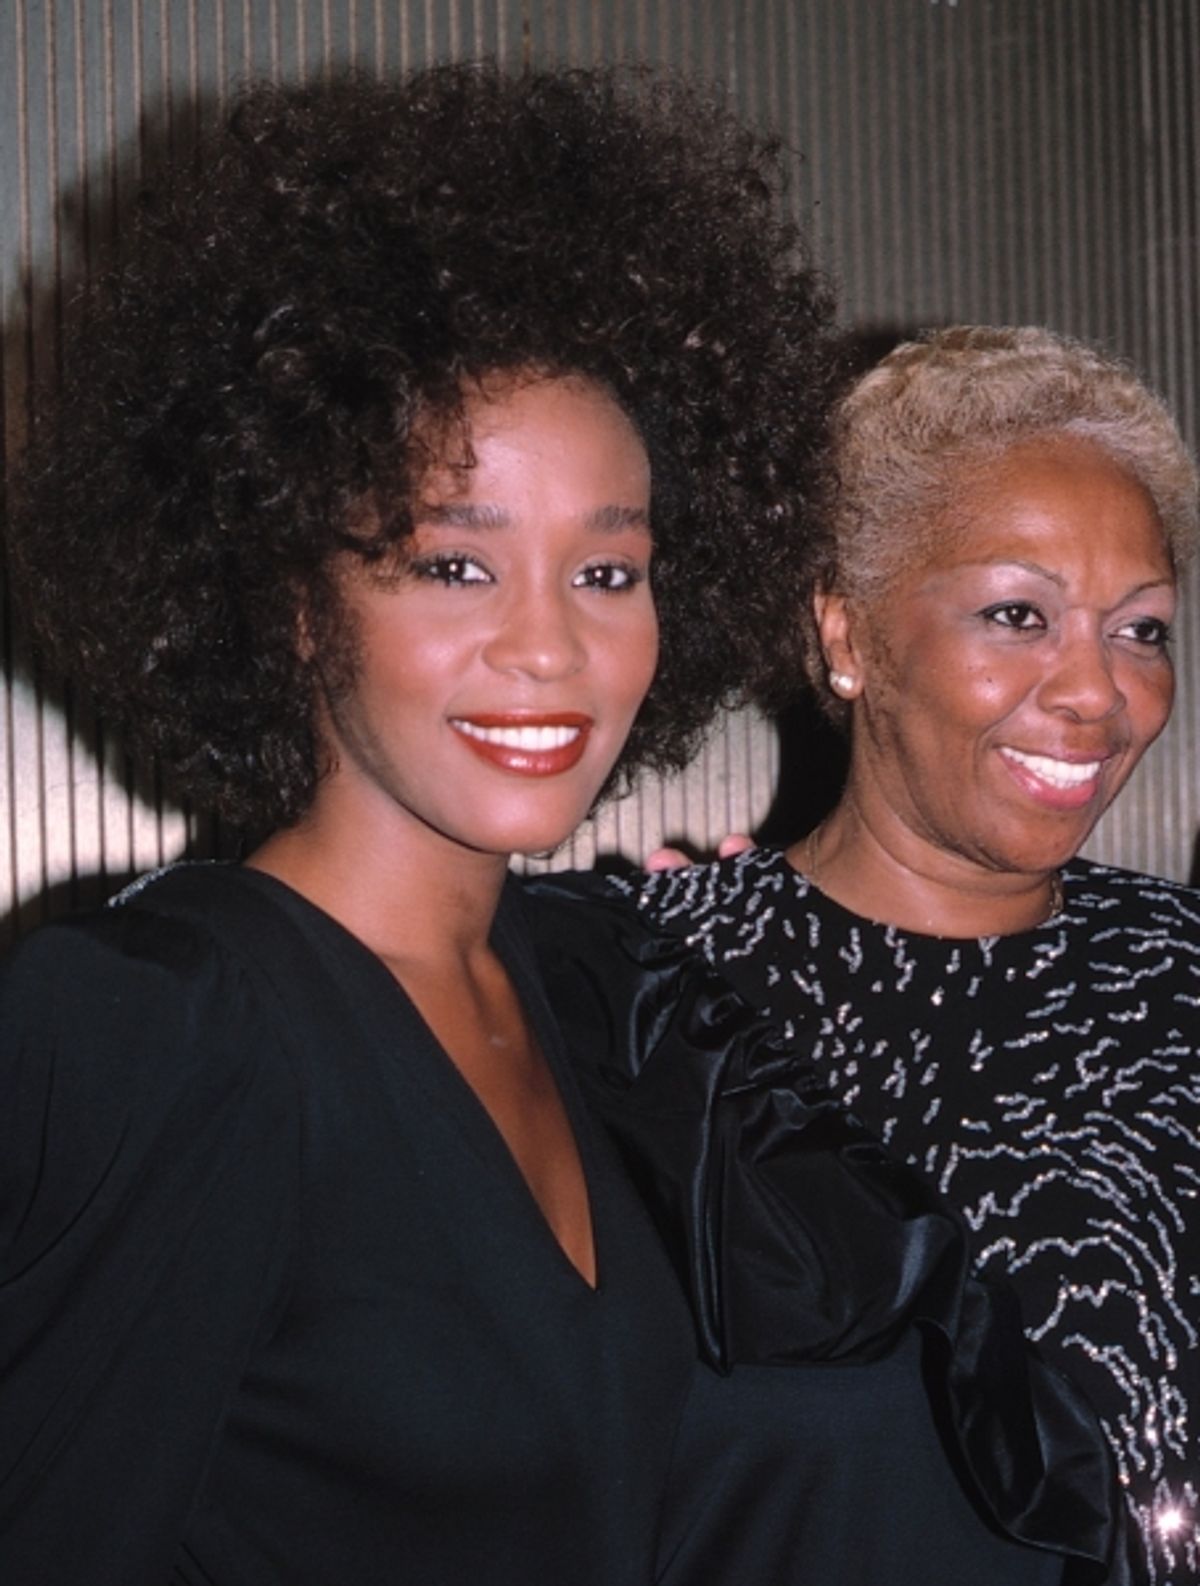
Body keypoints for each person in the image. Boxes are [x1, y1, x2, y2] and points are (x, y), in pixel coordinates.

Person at [0, 68, 1116, 1581]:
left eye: (608, 572)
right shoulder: (160, 1031)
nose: (551, 649)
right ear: (292, 597)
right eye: (454, 566)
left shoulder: (589, 1000)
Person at [599, 325, 1200, 1584]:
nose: (1100, 692)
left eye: (1141, 630)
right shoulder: (652, 996)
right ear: (849, 634)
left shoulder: (1181, 971)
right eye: (1018, 613)